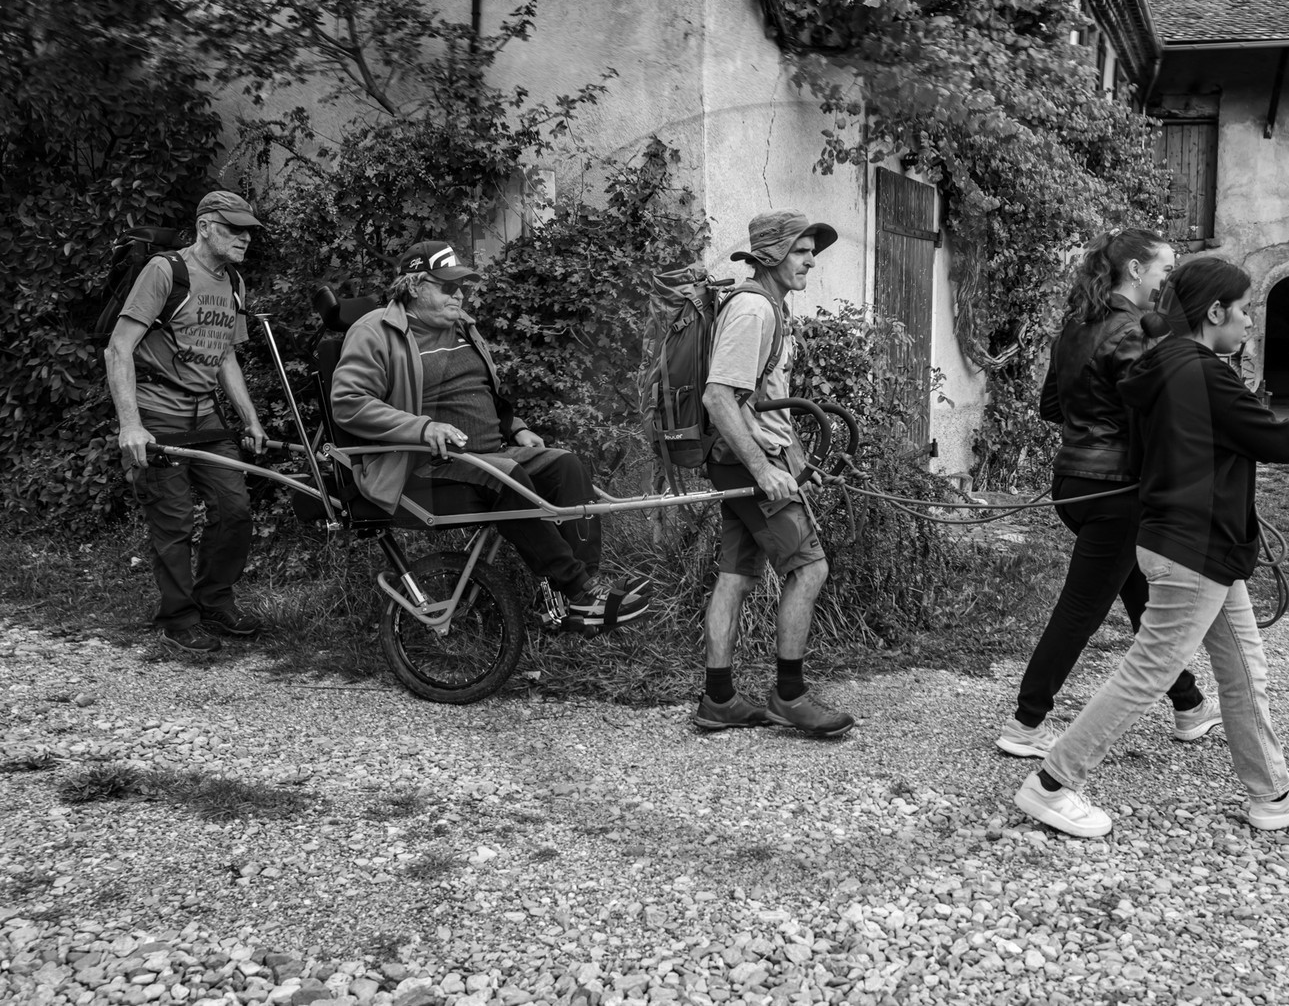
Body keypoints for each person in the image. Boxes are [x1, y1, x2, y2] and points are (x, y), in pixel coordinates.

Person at [1014, 257, 1289, 837]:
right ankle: (1052, 783)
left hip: (1197, 544)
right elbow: (1278, 438)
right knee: (1149, 671)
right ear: (1215, 311)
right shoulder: (1202, 372)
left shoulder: (1161, 365)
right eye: (1245, 310)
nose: (1250, 323)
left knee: (1245, 670)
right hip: (1193, 547)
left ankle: (1273, 794)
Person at [330, 241, 648, 627]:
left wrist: (517, 428)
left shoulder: (464, 328)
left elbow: (482, 393)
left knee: (566, 466)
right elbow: (348, 402)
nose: (459, 294)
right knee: (505, 477)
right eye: (448, 286)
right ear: (414, 286)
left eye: (461, 286)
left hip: (489, 452)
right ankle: (577, 589)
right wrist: (423, 428)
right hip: (423, 464)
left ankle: (584, 593)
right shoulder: (377, 331)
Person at [997, 229, 1223, 759]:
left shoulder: (1075, 327)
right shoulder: (1133, 332)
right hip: (1116, 489)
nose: (1169, 279)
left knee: (1139, 595)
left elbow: (1052, 406)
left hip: (1074, 483)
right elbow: (1154, 406)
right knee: (1080, 609)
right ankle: (1025, 724)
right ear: (1138, 270)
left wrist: (1092, 417)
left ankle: (1189, 704)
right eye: (1166, 269)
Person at [690, 209, 854, 737]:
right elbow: (719, 397)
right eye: (802, 250)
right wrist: (764, 470)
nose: (811, 260)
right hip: (745, 465)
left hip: (746, 462)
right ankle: (790, 695)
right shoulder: (755, 311)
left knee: (736, 576)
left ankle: (719, 700)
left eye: (812, 250)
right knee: (809, 568)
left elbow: (761, 402)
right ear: (771, 255)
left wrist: (800, 462)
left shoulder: (769, 308)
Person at [107, 190, 269, 653]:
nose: (244, 239)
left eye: (248, 231)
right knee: (173, 520)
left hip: (206, 412)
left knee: (235, 509)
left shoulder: (234, 282)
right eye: (233, 229)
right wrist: (130, 425)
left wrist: (251, 419)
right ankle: (179, 619)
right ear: (204, 226)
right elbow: (118, 348)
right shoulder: (165, 272)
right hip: (157, 411)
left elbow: (226, 355)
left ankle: (215, 600)